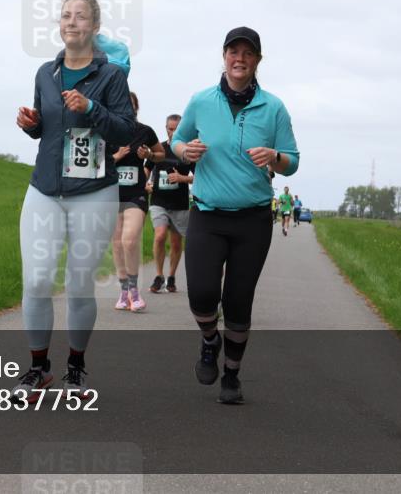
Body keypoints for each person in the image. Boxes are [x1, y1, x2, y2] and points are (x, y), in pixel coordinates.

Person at [13, 0, 135, 402]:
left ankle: (76, 367)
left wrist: (91, 106)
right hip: (44, 188)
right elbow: (45, 126)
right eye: (65, 15)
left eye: (80, 16)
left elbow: (124, 131)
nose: (71, 22)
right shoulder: (45, 73)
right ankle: (37, 367)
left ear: (95, 27)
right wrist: (31, 123)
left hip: (94, 191)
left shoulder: (112, 75)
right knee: (37, 279)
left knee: (79, 282)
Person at [173, 26, 299, 404]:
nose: (239, 59)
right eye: (233, 52)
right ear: (224, 57)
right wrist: (184, 152)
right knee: (202, 293)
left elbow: (292, 161)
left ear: (258, 60)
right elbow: (177, 140)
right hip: (208, 214)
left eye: (248, 53)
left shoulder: (273, 107)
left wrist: (275, 157)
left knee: (239, 300)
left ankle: (232, 375)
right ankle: (210, 341)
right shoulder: (201, 100)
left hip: (253, 220)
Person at [110, 92, 164, 313]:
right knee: (116, 244)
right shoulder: (106, 130)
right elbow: (93, 162)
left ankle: (134, 291)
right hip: (110, 195)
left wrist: (149, 154)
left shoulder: (145, 131)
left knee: (129, 240)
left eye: (130, 105)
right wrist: (115, 157)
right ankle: (124, 291)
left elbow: (161, 154)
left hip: (135, 194)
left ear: (136, 108)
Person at [144, 114, 194, 293]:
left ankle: (171, 276)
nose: (172, 132)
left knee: (175, 242)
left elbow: (197, 177)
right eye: (169, 128)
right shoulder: (160, 149)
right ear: (165, 128)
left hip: (179, 203)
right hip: (159, 201)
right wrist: (145, 183)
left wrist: (181, 178)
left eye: (176, 129)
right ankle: (158, 275)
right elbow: (147, 167)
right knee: (159, 235)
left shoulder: (187, 152)